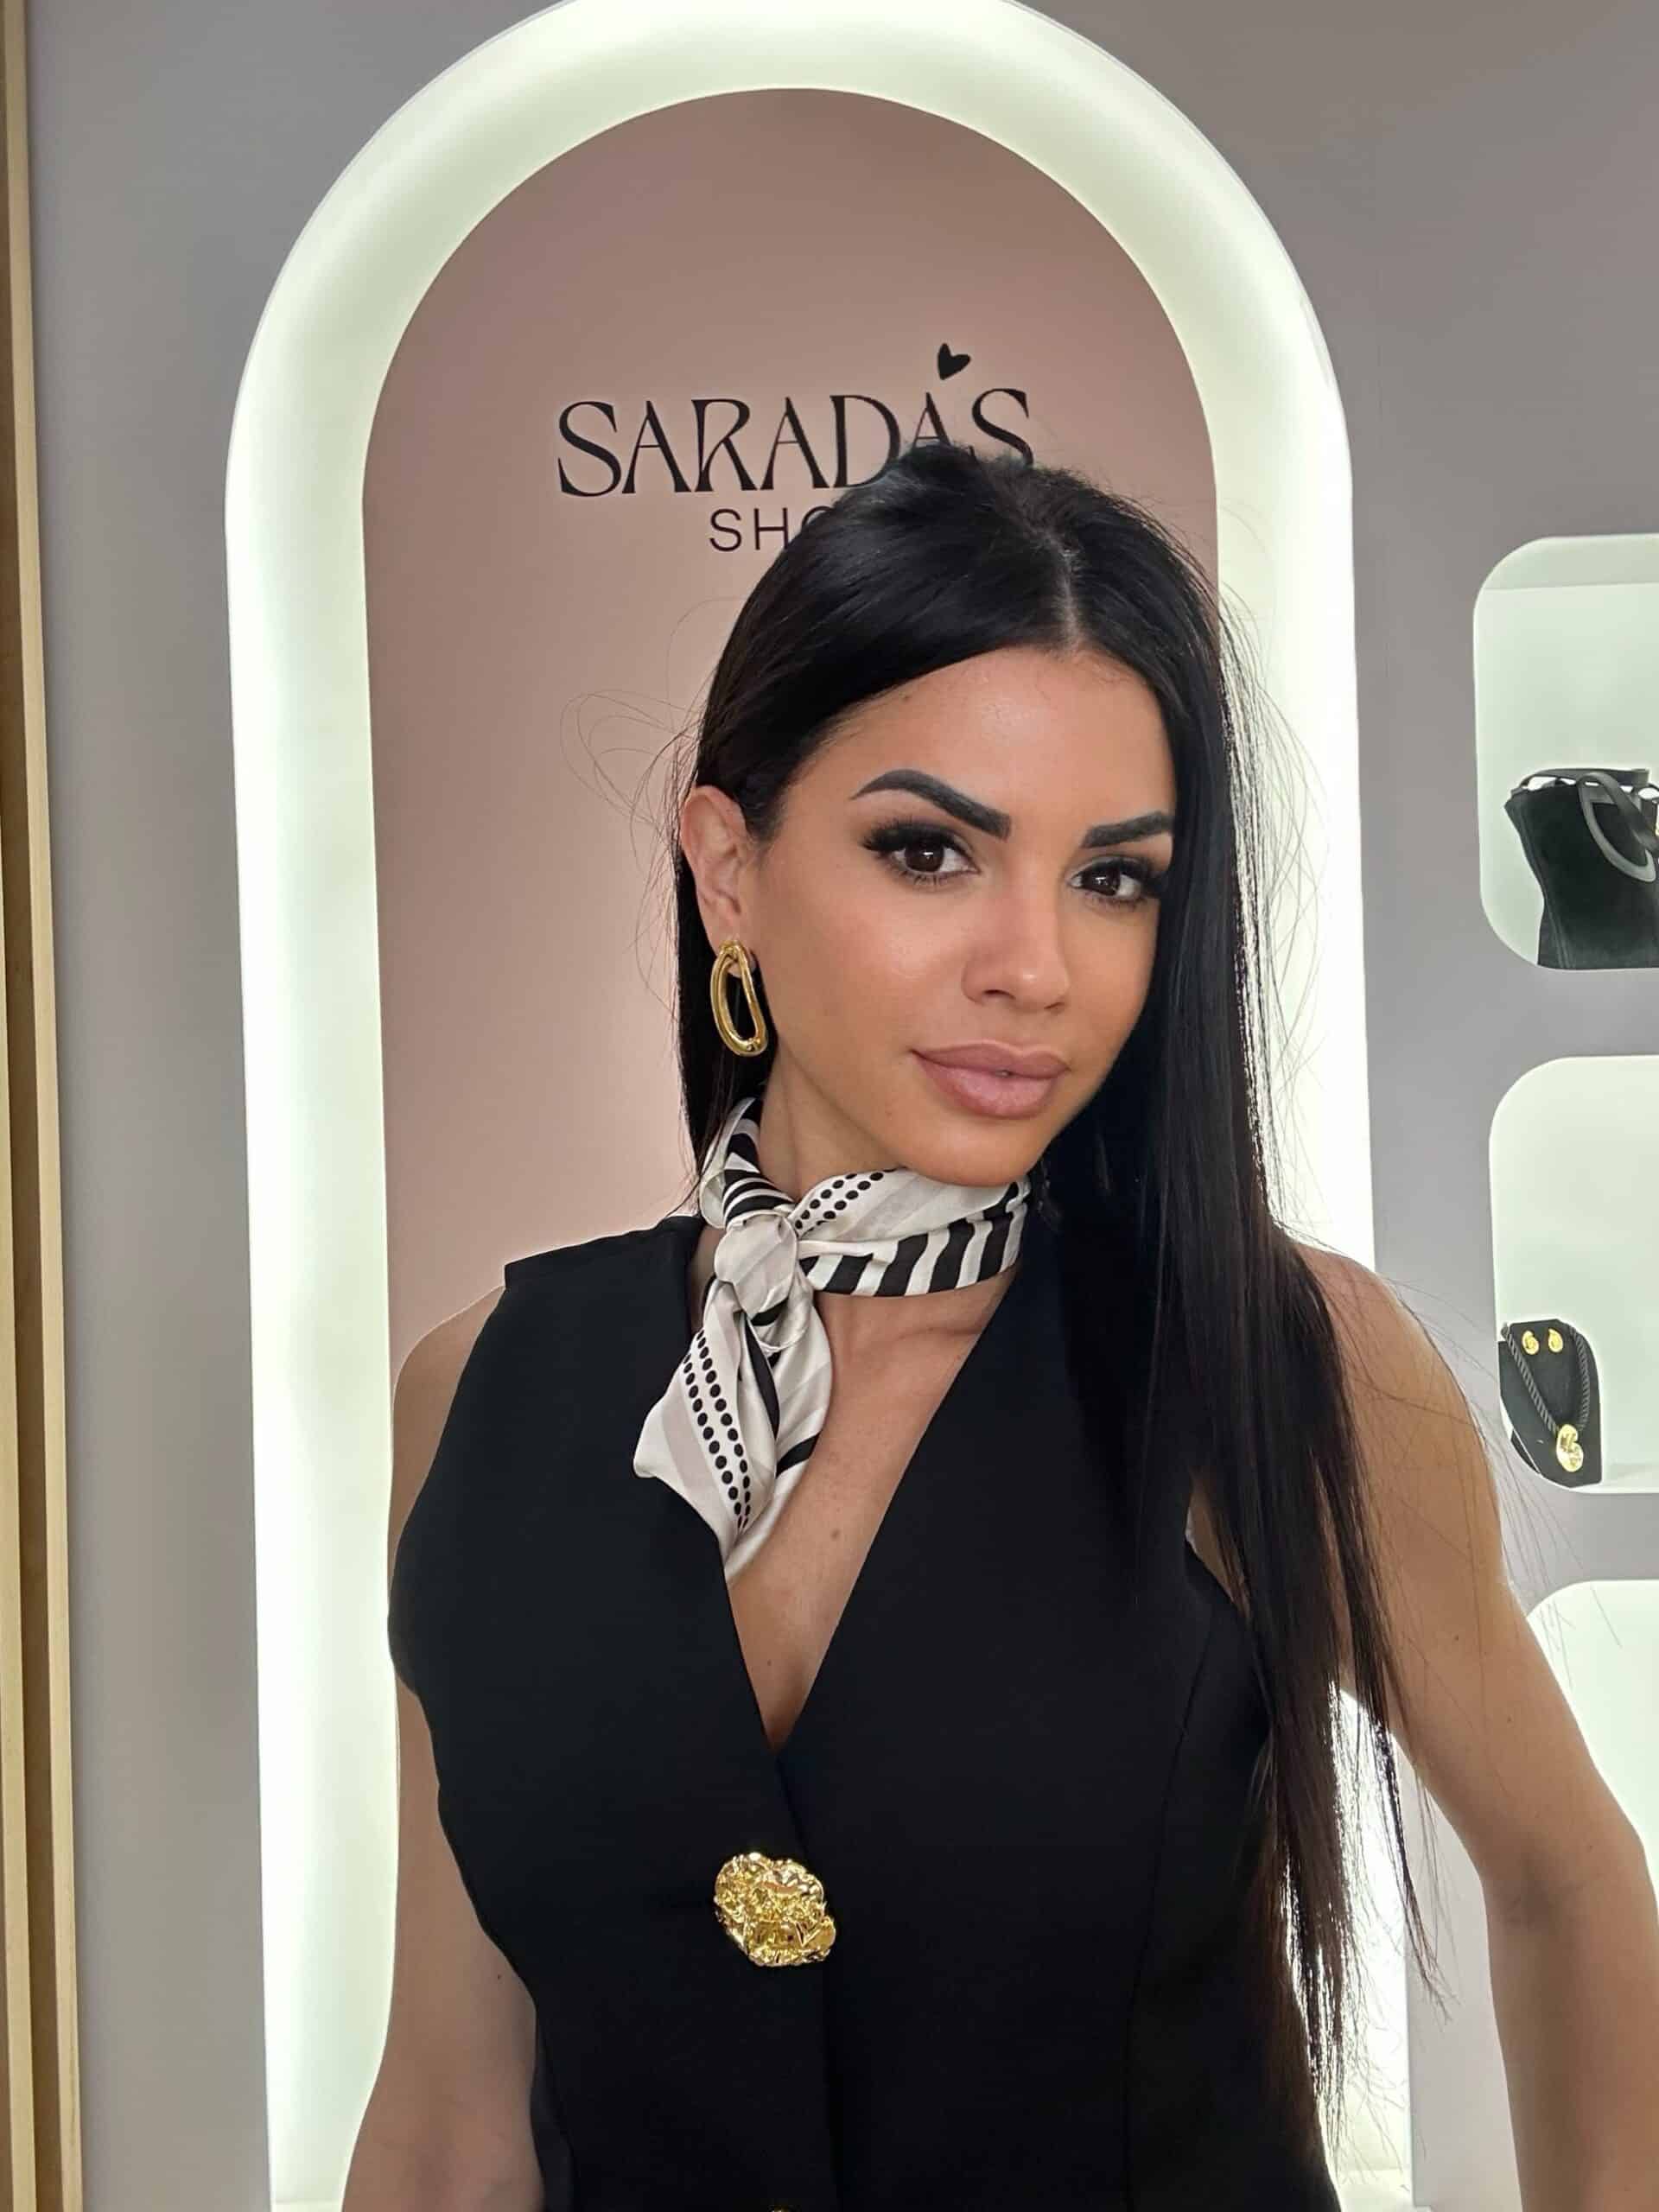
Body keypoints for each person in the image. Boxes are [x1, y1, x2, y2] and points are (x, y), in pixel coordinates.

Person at [346, 439, 1659, 2210]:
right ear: (727, 867)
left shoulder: (1280, 1363)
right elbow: (451, 2108)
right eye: (929, 850)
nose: (1035, 965)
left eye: (1114, 878)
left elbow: (1567, 1881)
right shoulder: (480, 1396)